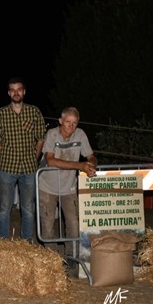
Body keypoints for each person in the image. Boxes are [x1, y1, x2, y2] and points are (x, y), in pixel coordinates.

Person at [0, 77, 46, 241]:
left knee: (28, 208)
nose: (16, 93)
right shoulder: (1, 113)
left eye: (19, 89)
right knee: (4, 208)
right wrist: (5, 155)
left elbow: (41, 138)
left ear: (24, 92)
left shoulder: (34, 112)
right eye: (13, 90)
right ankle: (3, 240)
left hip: (29, 168)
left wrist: (34, 157)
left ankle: (26, 241)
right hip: (6, 168)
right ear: (9, 93)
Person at [39, 107, 97, 255]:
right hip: (47, 187)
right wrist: (80, 166)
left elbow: (91, 156)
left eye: (74, 123)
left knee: (74, 224)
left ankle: (72, 256)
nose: (71, 126)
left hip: (69, 188)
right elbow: (50, 161)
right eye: (68, 122)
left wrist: (91, 165)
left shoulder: (80, 134)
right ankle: (51, 257)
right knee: (47, 225)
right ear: (60, 121)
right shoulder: (52, 134)